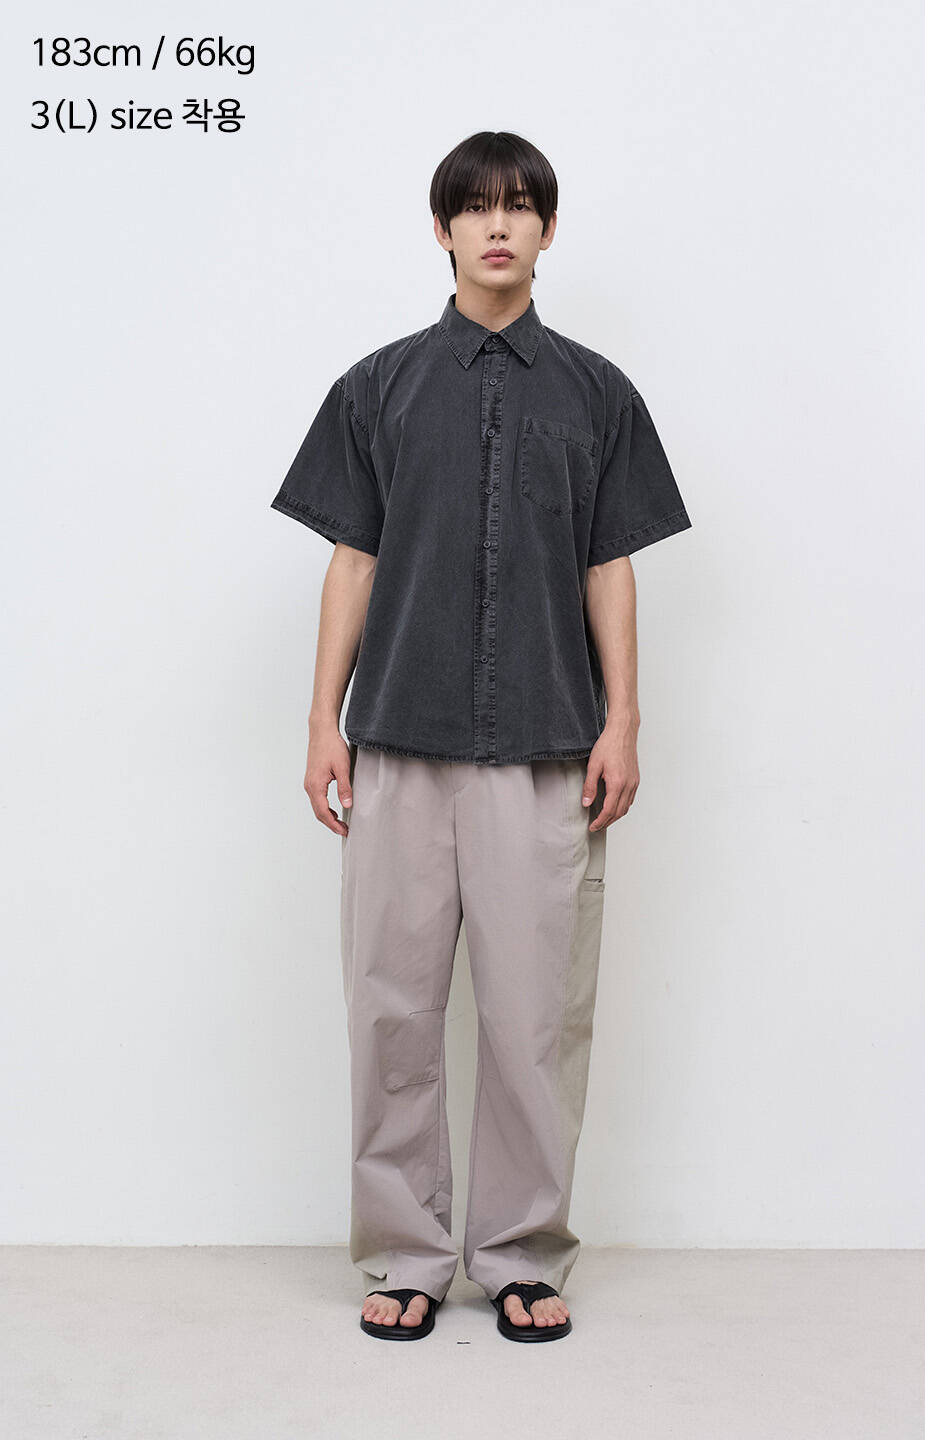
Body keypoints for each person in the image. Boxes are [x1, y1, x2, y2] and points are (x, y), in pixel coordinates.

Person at [270, 131, 692, 1343]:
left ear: (549, 231)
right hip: (399, 743)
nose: (498, 226)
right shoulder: (377, 388)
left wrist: (622, 720)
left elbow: (610, 565)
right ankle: (406, 1254)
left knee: (532, 1019)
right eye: (475, 207)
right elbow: (353, 561)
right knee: (392, 1011)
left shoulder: (600, 395)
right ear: (442, 229)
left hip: (548, 749)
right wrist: (322, 722)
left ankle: (520, 1254)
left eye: (519, 207)